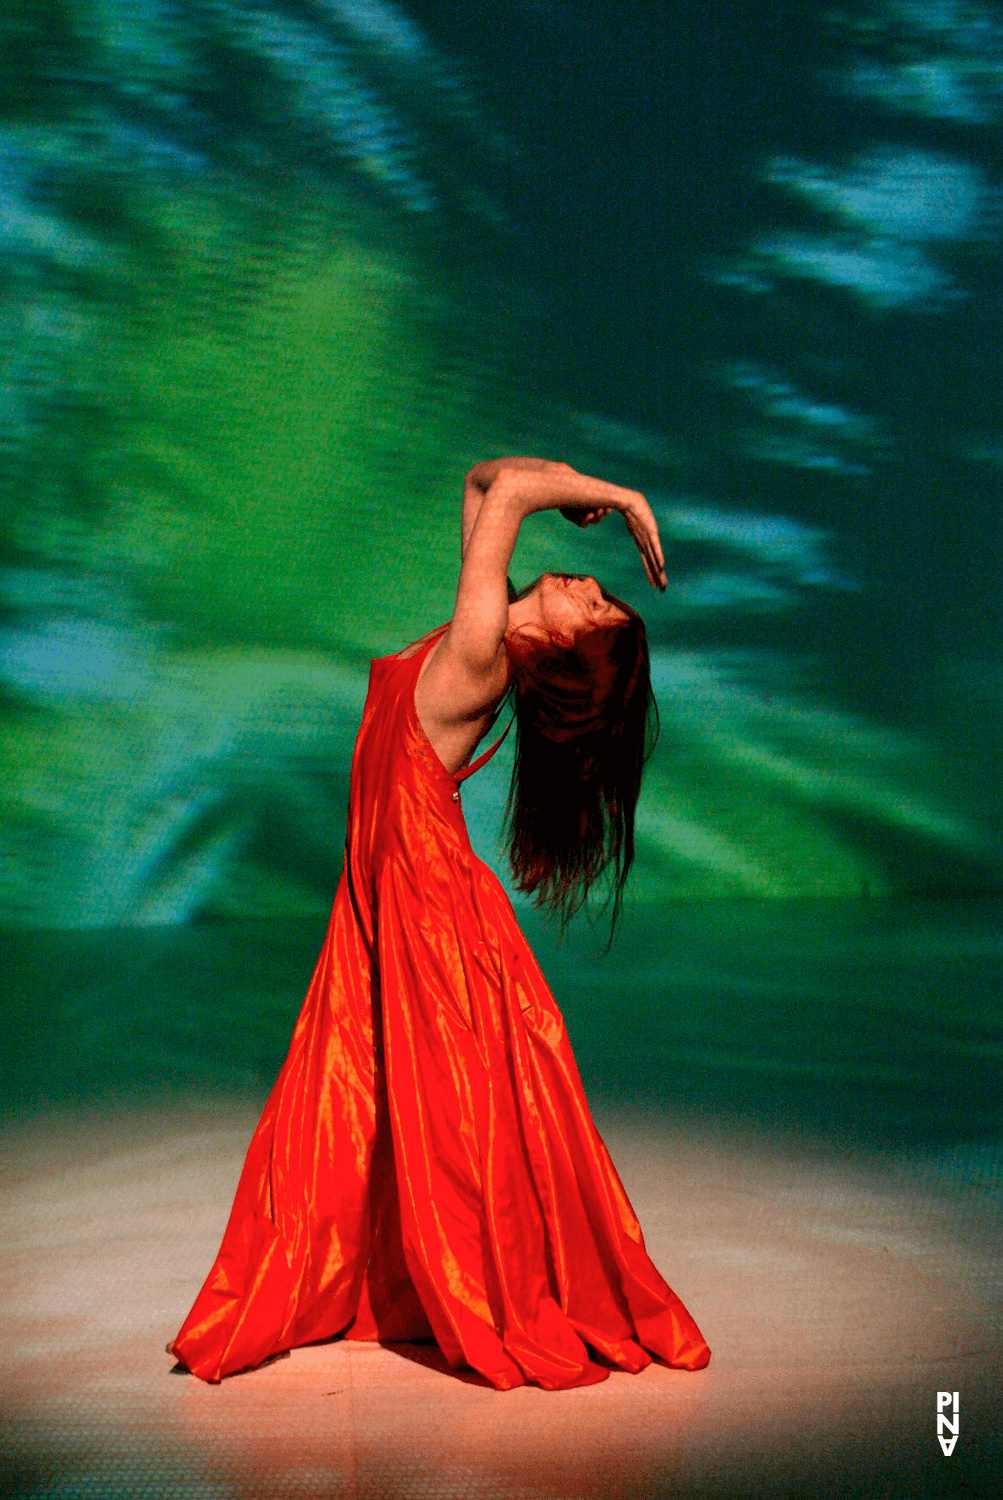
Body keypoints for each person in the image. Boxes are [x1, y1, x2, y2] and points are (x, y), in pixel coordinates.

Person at [167, 457, 711, 1390]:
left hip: (420, 902)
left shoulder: (481, 652)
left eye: (596, 610)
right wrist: (581, 490)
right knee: (352, 1104)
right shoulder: (488, 624)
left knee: (446, 1107)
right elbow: (476, 483)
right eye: (602, 596)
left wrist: (618, 497)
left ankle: (480, 1277)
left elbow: (505, 498)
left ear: (567, 652)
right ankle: (399, 1269)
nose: (586, 584)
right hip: (386, 893)